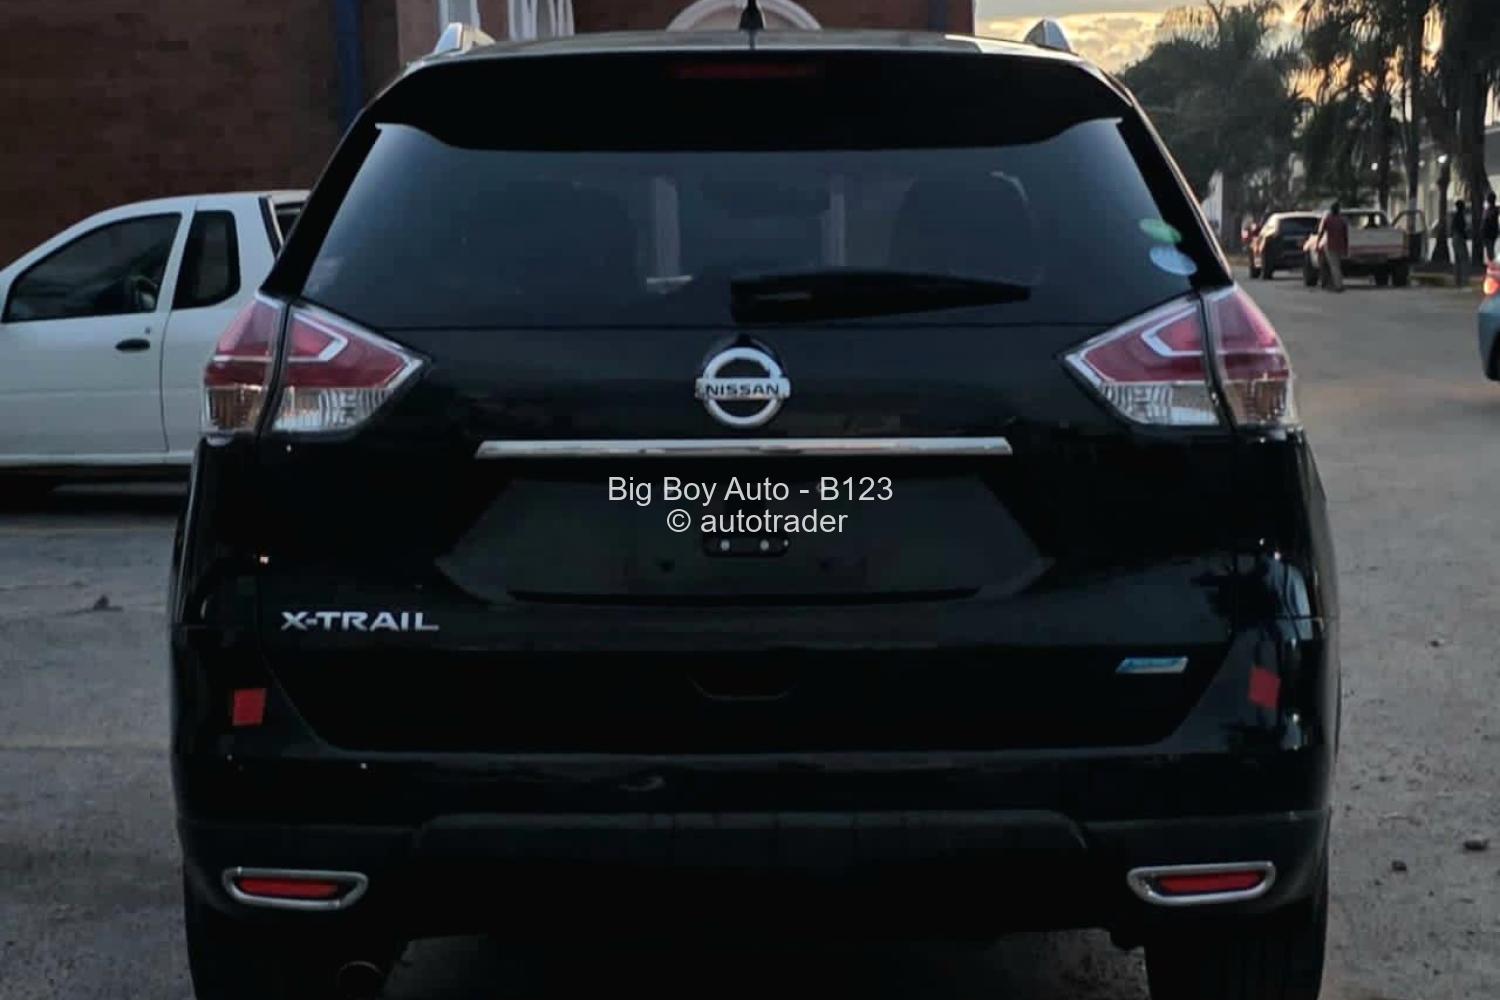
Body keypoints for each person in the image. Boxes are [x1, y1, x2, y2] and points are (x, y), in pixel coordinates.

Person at [1315, 201, 1348, 292]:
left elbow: (1322, 232)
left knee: (1334, 266)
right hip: (1340, 245)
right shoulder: (1342, 221)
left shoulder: (1328, 220)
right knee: (1337, 265)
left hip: (1331, 245)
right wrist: (1345, 247)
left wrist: (1318, 243)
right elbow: (1345, 235)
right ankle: (1336, 283)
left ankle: (1338, 285)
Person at [1452, 200, 1470, 286]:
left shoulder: (1456, 216)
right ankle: (1463, 280)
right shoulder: (1460, 216)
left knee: (1457, 259)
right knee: (1464, 259)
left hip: (1455, 238)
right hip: (1460, 238)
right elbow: (1461, 229)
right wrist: (1465, 235)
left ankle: (1457, 280)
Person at [1483, 191, 1498, 264]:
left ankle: (1492, 265)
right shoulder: (1493, 209)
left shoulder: (1490, 210)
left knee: (1490, 251)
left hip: (1489, 233)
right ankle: (1492, 264)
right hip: (1491, 233)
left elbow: (1486, 221)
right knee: (1490, 250)